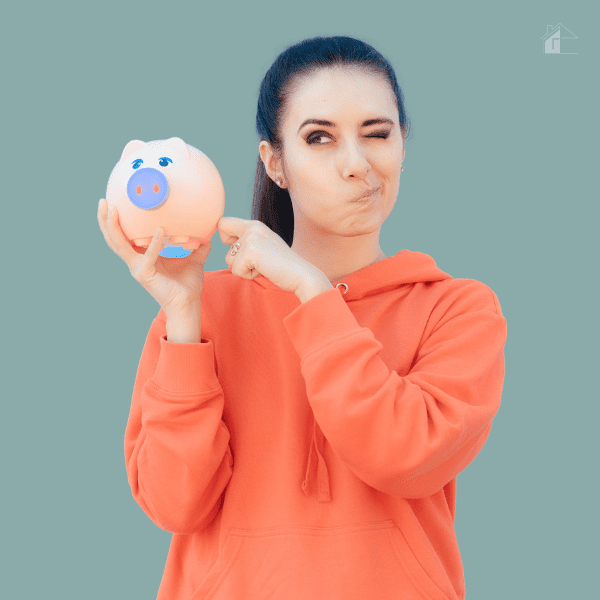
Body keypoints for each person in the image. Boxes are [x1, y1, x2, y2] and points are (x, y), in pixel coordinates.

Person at [98, 35, 507, 600]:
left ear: (403, 145)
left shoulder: (458, 308)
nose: (356, 164)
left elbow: (405, 455)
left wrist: (312, 292)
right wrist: (184, 317)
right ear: (276, 163)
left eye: (377, 134)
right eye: (319, 138)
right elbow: (175, 504)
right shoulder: (201, 309)